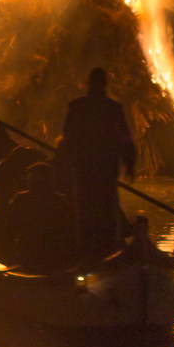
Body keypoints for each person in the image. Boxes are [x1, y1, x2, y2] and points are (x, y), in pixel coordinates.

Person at [59, 67, 136, 259]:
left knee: (84, 207)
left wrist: (62, 162)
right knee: (107, 207)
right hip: (106, 169)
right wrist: (130, 164)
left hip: (83, 169)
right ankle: (109, 248)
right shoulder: (113, 109)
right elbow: (124, 139)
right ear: (104, 85)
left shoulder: (76, 107)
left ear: (88, 84)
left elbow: (67, 138)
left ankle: (85, 249)